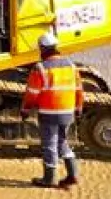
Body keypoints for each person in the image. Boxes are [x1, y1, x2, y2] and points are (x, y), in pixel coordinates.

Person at [21, 33, 83, 188]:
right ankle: (72, 175)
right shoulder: (71, 65)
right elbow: (79, 89)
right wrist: (78, 108)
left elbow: (32, 93)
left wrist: (25, 109)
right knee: (62, 141)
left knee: (49, 143)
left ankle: (49, 179)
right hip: (67, 112)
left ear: (42, 49)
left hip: (49, 112)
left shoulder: (41, 68)